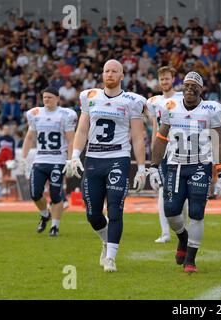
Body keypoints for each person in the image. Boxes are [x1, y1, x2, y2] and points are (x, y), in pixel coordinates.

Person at [70, 60, 147, 272]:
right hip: (94, 158)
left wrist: (141, 168)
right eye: (106, 71)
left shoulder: (132, 100)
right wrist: (75, 155)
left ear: (122, 75)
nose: (109, 74)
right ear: (102, 74)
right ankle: (105, 241)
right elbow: (82, 129)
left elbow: (138, 137)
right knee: (93, 213)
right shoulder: (90, 96)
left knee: (115, 207)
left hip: (118, 158)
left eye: (114, 71)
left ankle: (111, 257)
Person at [147, 71, 221, 273]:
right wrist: (153, 166)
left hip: (201, 164)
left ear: (202, 90)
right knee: (171, 211)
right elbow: (161, 138)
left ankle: (191, 259)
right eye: (187, 85)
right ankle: (183, 238)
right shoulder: (170, 107)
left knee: (196, 212)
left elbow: (218, 142)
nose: (190, 89)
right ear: (182, 86)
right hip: (175, 164)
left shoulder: (211, 109)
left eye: (195, 86)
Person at [19, 87, 77, 237]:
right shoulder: (35, 114)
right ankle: (45, 215)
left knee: (56, 195)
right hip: (40, 160)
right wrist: (23, 158)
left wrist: (70, 160)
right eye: (44, 97)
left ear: (58, 98)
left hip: (58, 160)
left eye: (50, 97)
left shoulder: (66, 114)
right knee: (34, 193)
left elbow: (71, 140)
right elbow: (30, 137)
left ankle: (55, 226)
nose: (46, 100)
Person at [146, 66, 187, 244]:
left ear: (173, 79)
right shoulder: (154, 101)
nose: (164, 82)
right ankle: (165, 232)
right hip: (164, 151)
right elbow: (156, 128)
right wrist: (155, 152)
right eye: (161, 79)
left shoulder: (182, 97)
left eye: (167, 79)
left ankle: (182, 229)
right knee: (163, 190)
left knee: (182, 193)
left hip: (181, 150)